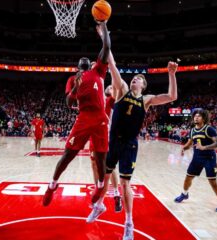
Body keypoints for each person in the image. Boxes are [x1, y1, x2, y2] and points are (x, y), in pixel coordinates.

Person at [86, 47, 178, 240]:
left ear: (143, 85)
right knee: (105, 176)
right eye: (134, 78)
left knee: (126, 183)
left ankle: (129, 223)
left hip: (130, 144)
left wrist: (171, 74)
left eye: (139, 78)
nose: (135, 79)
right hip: (114, 141)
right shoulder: (121, 91)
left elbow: (172, 97)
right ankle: (100, 204)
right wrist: (105, 39)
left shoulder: (147, 100)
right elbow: (112, 65)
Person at [42, 21, 111, 207]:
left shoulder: (98, 71)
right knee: (68, 155)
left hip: (100, 117)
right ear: (78, 67)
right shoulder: (73, 79)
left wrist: (103, 27)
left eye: (86, 64)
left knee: (101, 157)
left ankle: (99, 186)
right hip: (84, 117)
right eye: (82, 65)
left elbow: (107, 47)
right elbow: (68, 103)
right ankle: (52, 186)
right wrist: (75, 88)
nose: (84, 65)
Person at [174, 109, 217, 213]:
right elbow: (189, 144)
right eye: (195, 116)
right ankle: (184, 194)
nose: (196, 118)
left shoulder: (209, 129)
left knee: (212, 182)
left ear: (204, 118)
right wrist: (184, 148)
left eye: (199, 116)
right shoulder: (192, 130)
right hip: (197, 158)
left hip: (209, 158)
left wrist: (205, 147)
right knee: (188, 178)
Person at [89, 85, 122, 212]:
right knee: (93, 164)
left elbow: (117, 90)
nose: (111, 87)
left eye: (112, 87)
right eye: (109, 87)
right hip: (94, 134)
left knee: (109, 166)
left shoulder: (110, 100)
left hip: (107, 135)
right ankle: (97, 192)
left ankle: (116, 193)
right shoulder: (97, 100)